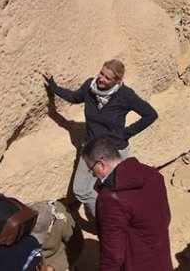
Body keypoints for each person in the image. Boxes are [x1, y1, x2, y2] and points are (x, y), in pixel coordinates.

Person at [40, 59, 158, 217]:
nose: (101, 78)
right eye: (101, 73)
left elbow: (150, 114)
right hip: (91, 148)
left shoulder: (125, 95)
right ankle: (107, 218)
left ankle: (120, 220)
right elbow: (74, 97)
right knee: (81, 190)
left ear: (117, 81)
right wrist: (53, 86)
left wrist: (126, 133)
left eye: (107, 78)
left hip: (114, 151)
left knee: (118, 192)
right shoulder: (90, 87)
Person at [82, 137, 172, 271]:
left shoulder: (110, 198)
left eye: (91, 169)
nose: (93, 175)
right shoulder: (152, 174)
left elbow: (112, 255)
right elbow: (166, 216)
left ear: (101, 164)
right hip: (162, 261)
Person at [29, 200, 83, 271]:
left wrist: (53, 267)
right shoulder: (18, 220)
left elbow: (76, 245)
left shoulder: (62, 219)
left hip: (54, 259)